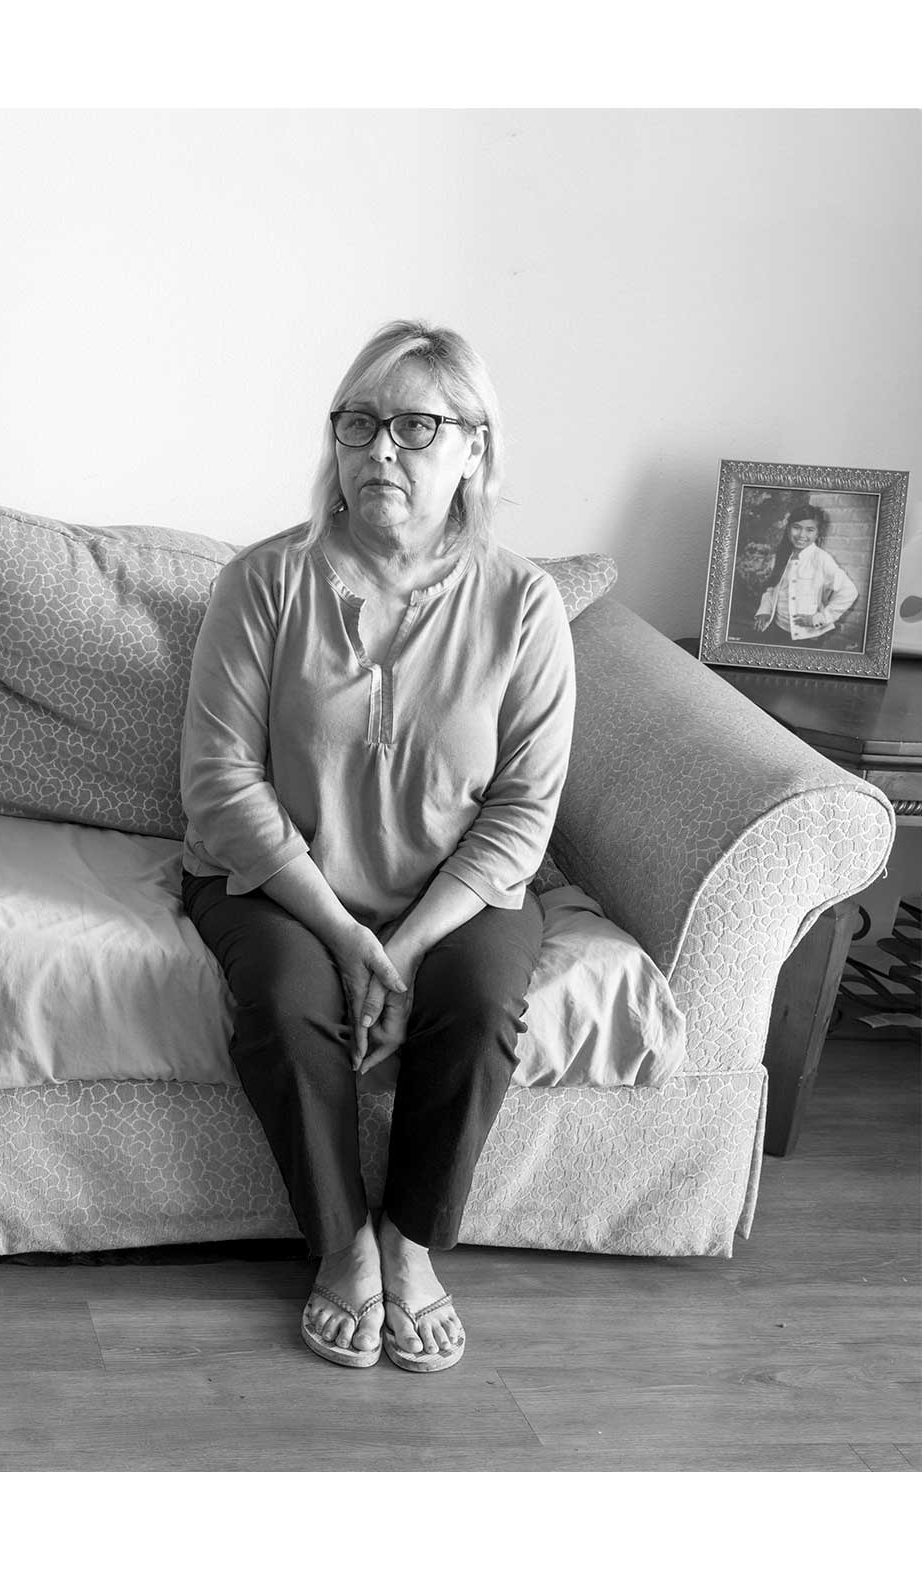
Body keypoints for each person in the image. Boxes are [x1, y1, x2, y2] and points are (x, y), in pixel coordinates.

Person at [179, 321, 573, 1373]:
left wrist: (403, 947)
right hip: (276, 883)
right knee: (279, 997)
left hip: (453, 892)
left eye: (414, 425)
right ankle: (341, 1243)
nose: (380, 450)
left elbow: (523, 812)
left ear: (472, 451)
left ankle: (406, 1243)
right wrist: (344, 935)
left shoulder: (521, 604)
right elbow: (218, 784)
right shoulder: (264, 583)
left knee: (483, 1003)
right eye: (359, 422)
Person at [755, 502, 857, 648]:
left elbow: (849, 592)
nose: (802, 535)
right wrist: (765, 610)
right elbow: (773, 588)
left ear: (817, 533)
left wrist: (822, 617)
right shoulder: (782, 556)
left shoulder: (821, 559)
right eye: (796, 527)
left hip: (807, 638)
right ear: (788, 528)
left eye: (809, 530)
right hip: (776, 629)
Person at [726, 534, 780, 642]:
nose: (756, 556)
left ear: (767, 557)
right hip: (739, 619)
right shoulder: (736, 574)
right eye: (752, 552)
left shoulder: (772, 576)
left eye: (761, 553)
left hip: (762, 621)